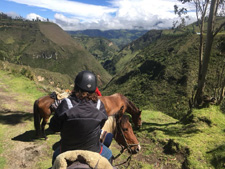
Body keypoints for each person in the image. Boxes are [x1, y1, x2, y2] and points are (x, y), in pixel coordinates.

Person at [49, 70, 112, 165]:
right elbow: (101, 125)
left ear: (76, 87)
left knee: (56, 156)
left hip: (67, 151)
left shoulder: (66, 103)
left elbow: (54, 127)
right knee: (109, 154)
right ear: (94, 89)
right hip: (94, 151)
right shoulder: (99, 105)